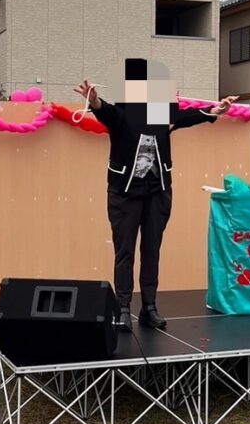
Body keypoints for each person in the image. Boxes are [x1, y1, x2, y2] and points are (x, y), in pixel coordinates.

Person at [75, 70, 237, 330]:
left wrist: (217, 109)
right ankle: (124, 309)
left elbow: (190, 116)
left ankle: (149, 307)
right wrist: (94, 101)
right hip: (124, 195)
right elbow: (104, 111)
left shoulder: (162, 117)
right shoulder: (122, 115)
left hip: (157, 194)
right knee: (124, 252)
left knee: (151, 252)